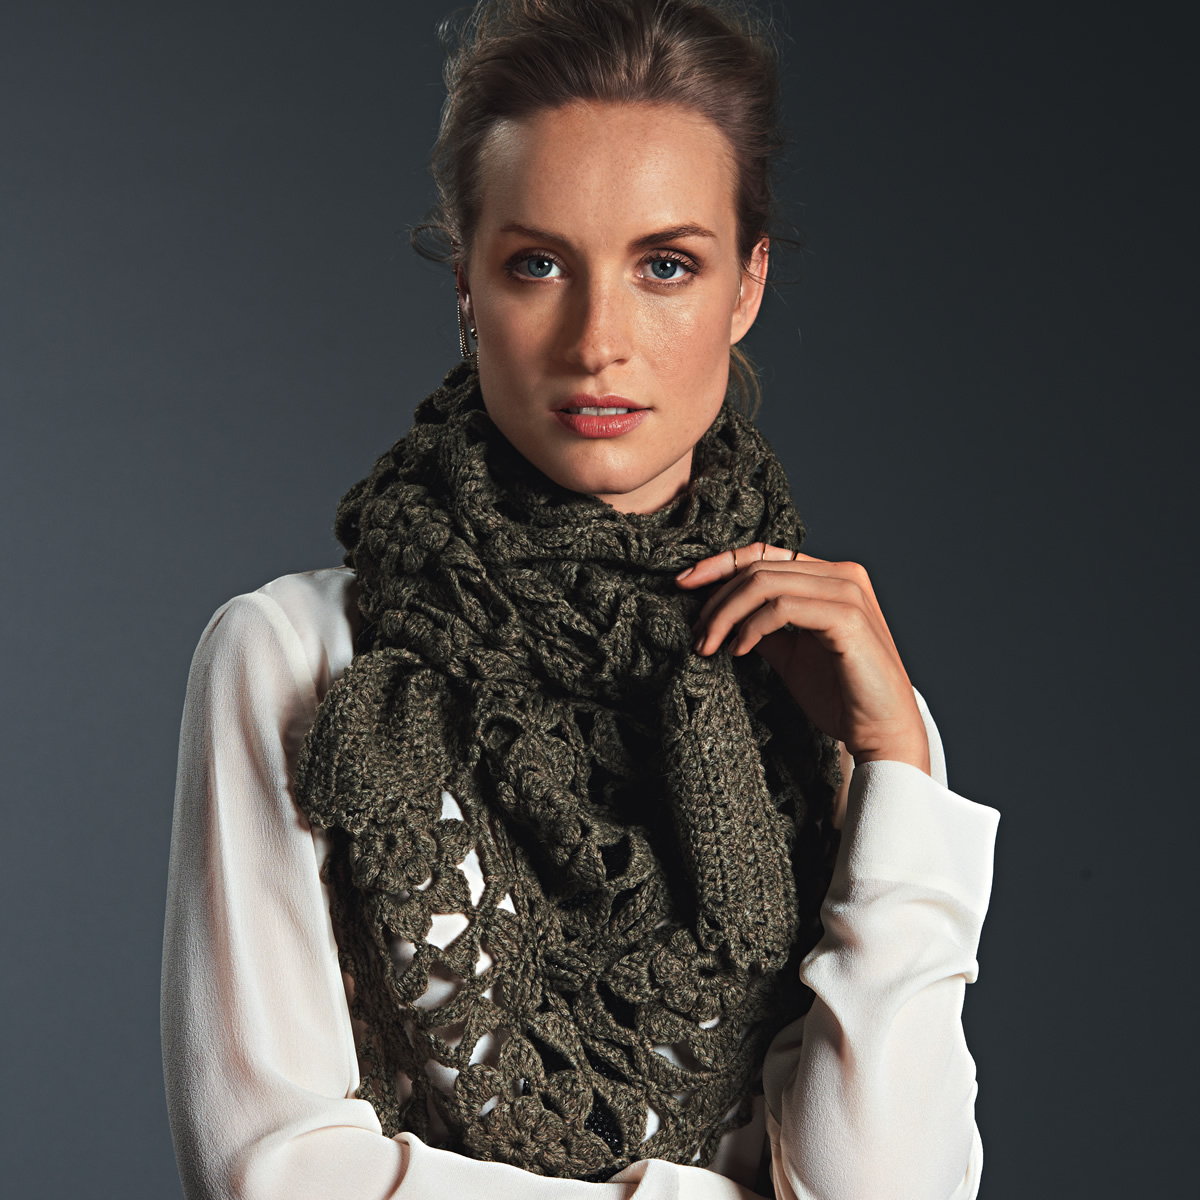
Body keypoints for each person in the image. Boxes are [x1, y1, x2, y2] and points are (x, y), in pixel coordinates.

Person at [161, 2, 999, 1198]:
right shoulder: (295, 660)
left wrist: (900, 769)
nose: (599, 339)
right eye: (538, 264)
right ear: (467, 282)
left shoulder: (843, 706)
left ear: (747, 285)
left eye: (667, 266)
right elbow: (273, 1174)